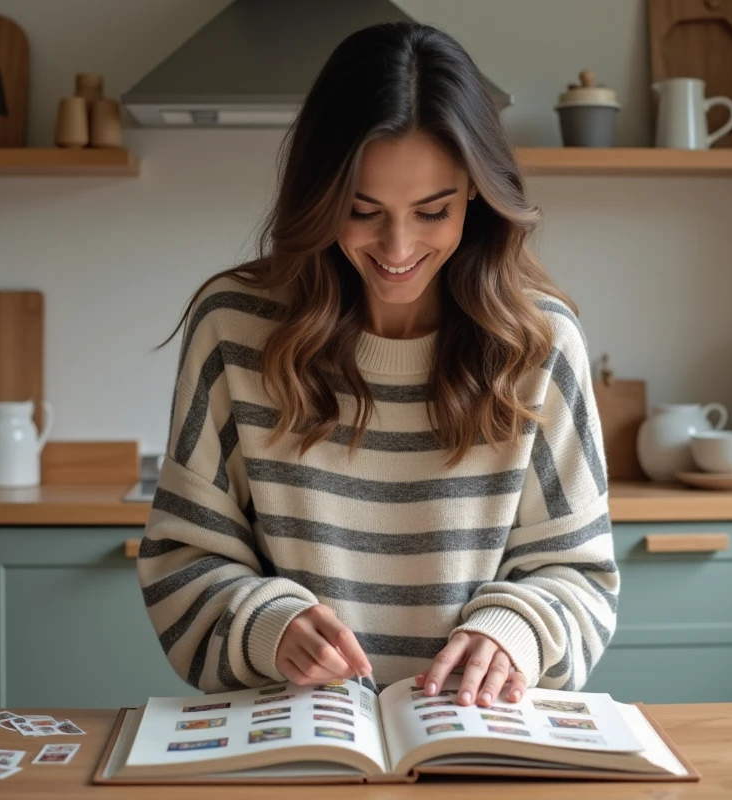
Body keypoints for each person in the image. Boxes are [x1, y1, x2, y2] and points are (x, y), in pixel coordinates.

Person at [136, 20, 618, 710]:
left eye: (432, 211)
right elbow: (182, 560)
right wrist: (265, 625)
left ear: (476, 194)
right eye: (362, 211)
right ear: (321, 196)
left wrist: (514, 632)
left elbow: (580, 575)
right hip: (299, 748)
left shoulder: (538, 343)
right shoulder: (234, 327)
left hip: (471, 746)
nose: (397, 247)